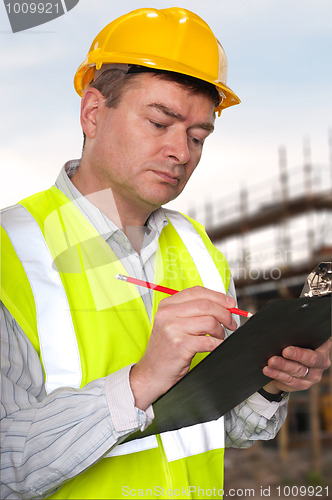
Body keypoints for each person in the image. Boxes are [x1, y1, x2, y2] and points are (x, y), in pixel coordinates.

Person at [1, 7, 330, 500]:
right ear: (93, 112)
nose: (182, 151)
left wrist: (270, 384)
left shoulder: (198, 248)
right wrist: (140, 382)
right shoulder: (11, 250)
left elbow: (230, 428)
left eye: (198, 136)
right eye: (160, 122)